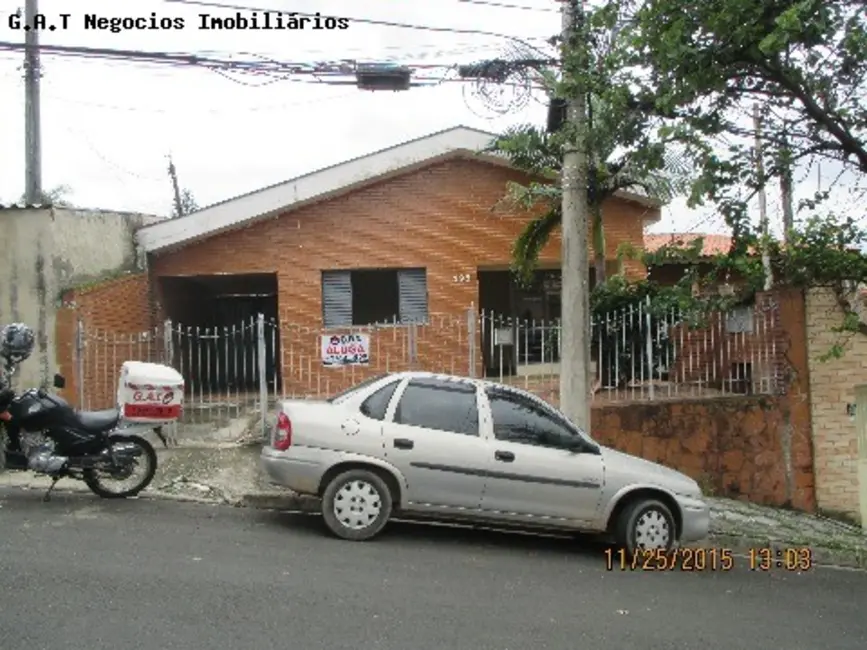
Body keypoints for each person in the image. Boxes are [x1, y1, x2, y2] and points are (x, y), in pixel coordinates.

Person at [0, 323, 66, 473]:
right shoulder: (6, 362)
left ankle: (39, 453)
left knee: (18, 419)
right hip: (5, 400)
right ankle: (23, 451)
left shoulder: (7, 360)